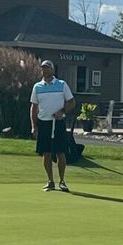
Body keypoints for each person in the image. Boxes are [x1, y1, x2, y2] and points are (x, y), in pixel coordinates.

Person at [31, 59, 74, 191]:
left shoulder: (62, 84)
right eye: (43, 68)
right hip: (44, 123)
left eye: (47, 68)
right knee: (46, 153)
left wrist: (62, 111)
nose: (45, 70)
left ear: (52, 70)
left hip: (58, 123)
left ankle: (62, 181)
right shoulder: (37, 86)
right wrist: (34, 126)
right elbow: (34, 107)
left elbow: (71, 102)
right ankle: (50, 181)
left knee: (60, 152)